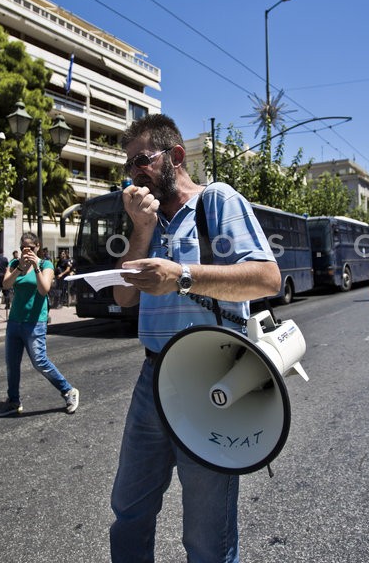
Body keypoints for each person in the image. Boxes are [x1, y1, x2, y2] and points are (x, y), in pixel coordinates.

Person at [109, 114, 281, 563]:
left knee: (207, 537)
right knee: (129, 511)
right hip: (153, 379)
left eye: (142, 160)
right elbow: (124, 295)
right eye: (129, 166)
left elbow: (266, 278)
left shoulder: (217, 202)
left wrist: (181, 277)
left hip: (212, 380)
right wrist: (141, 230)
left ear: (176, 157)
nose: (134, 173)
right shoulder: (145, 222)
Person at [0, 233, 80, 417]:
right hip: (15, 321)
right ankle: (13, 401)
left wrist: (35, 266)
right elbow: (6, 285)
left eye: (31, 248)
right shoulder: (14, 264)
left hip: (35, 322)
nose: (28, 251)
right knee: (12, 364)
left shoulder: (45, 264)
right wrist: (19, 268)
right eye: (24, 248)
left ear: (38, 247)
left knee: (40, 362)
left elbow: (44, 289)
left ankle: (68, 391)